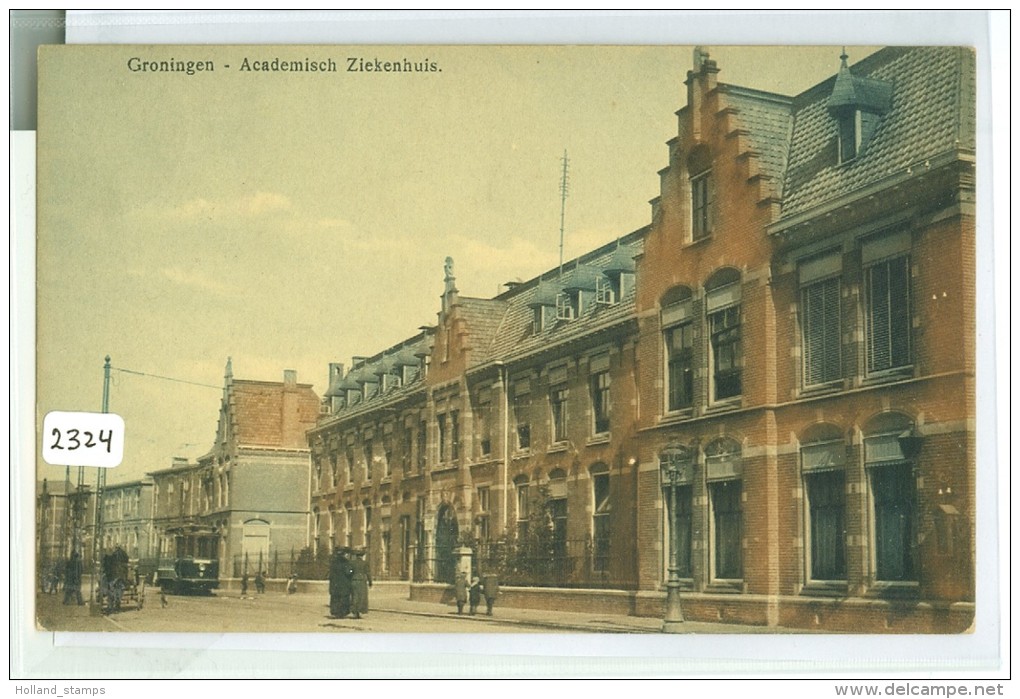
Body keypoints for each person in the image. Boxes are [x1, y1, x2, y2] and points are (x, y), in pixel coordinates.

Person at [328, 547, 352, 618]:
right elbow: (348, 572)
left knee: (335, 597)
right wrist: (352, 571)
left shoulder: (333, 562)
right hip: (344, 583)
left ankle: (335, 612)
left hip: (335, 583)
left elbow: (331, 574)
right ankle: (342, 613)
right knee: (344, 597)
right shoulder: (346, 562)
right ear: (344, 554)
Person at [349, 549, 372, 619]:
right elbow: (368, 573)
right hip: (362, 581)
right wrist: (370, 582)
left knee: (354, 596)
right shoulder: (365, 563)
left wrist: (351, 575)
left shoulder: (352, 563)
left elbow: (350, 571)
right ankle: (359, 611)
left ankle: (354, 612)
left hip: (354, 580)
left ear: (356, 556)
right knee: (361, 597)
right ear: (362, 556)